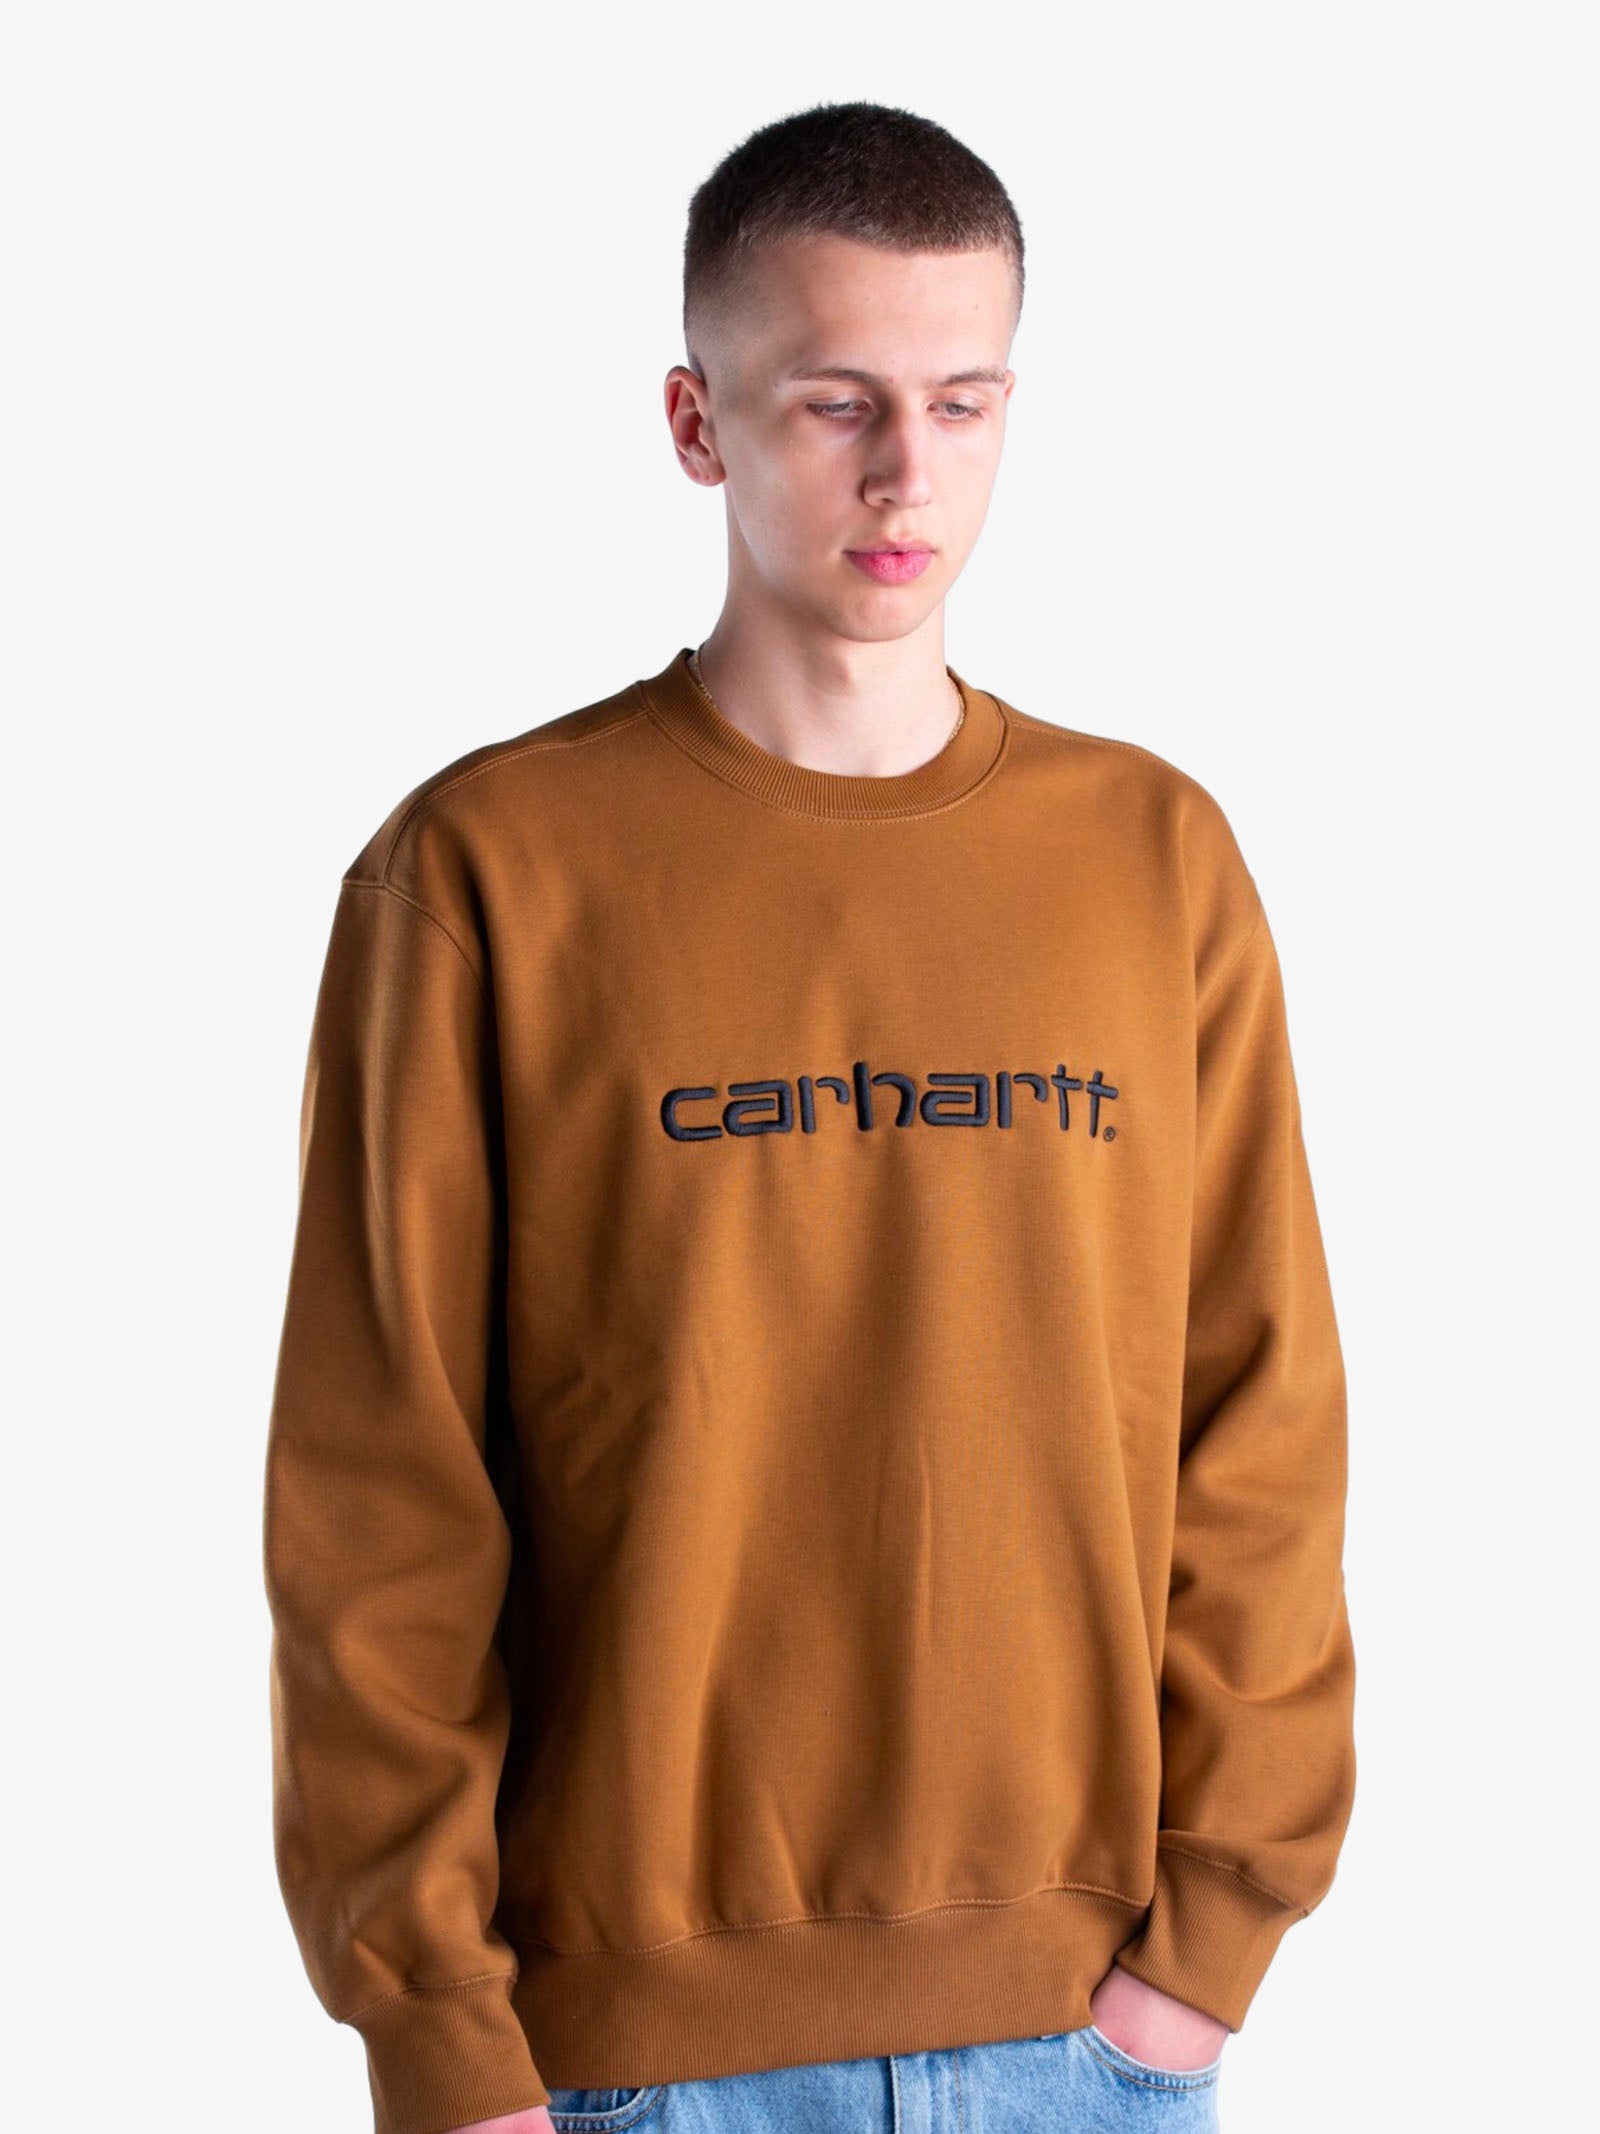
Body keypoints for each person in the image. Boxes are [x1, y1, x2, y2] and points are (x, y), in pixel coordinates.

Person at [263, 100, 1357, 2134]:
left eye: (961, 402)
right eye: (836, 402)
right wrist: (443, 2033)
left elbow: (1261, 1425)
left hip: (1085, 2041)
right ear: (698, 423)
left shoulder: (1151, 860)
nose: (904, 471)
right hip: (622, 2066)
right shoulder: (488, 872)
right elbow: (376, 1493)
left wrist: (1198, 1955)